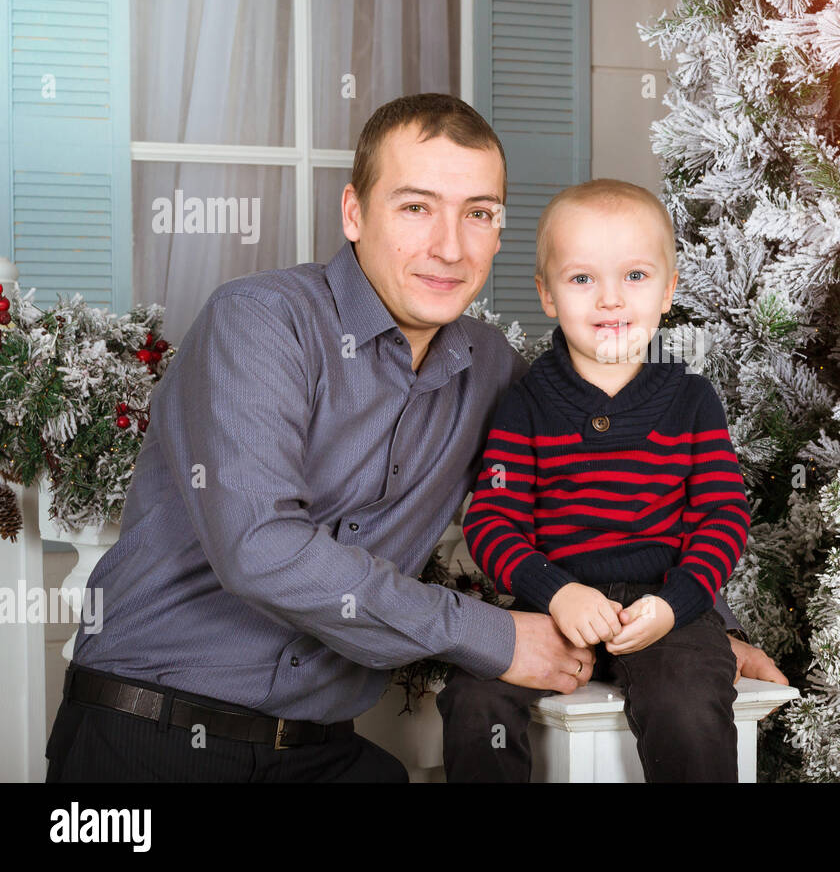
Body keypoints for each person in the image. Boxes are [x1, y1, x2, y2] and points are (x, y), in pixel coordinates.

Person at [44, 93, 783, 783]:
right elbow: (260, 548)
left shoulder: (494, 370)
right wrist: (495, 636)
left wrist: (686, 629)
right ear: (355, 212)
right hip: (152, 735)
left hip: (323, 751)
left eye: (478, 213)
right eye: (416, 207)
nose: (449, 247)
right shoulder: (261, 322)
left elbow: (603, 488)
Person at [438, 179, 747, 782]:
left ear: (669, 289)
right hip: (552, 608)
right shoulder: (526, 403)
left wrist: (678, 602)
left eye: (634, 276)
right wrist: (554, 591)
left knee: (688, 705)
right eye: (582, 279)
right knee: (475, 699)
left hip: (664, 609)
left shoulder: (690, 400)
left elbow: (722, 517)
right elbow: (493, 519)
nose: (610, 299)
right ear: (547, 294)